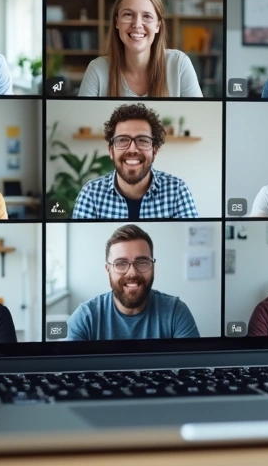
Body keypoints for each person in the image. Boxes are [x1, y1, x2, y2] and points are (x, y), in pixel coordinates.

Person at [67, 224, 200, 341]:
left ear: (153, 266)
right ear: (108, 269)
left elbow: (191, 365)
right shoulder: (85, 317)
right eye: (120, 263)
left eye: (142, 262)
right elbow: (68, 366)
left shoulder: (175, 311)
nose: (132, 273)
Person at [72, 103, 199, 219]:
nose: (132, 149)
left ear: (155, 151)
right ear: (111, 150)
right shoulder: (91, 194)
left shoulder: (177, 191)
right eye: (122, 140)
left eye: (142, 140)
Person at [77, 0, 202, 98]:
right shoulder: (97, 70)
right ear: (117, 22)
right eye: (128, 14)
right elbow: (82, 121)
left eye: (147, 16)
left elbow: (198, 119)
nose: (137, 24)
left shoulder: (179, 65)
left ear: (158, 25)